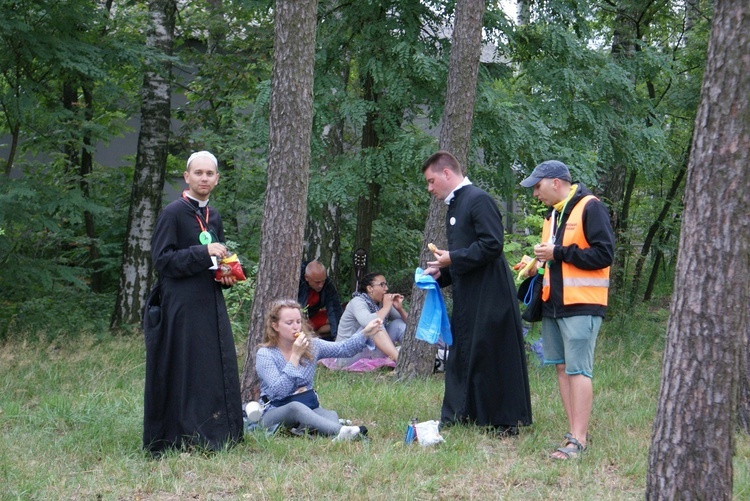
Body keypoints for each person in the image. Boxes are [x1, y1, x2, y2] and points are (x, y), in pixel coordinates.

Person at [422, 151, 532, 436]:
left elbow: (492, 245)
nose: (430, 188)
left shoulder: (478, 199)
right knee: (464, 352)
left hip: (491, 292)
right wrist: (441, 272)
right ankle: (462, 413)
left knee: (492, 353)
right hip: (469, 293)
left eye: (431, 181)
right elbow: (465, 254)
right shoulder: (455, 205)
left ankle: (504, 421)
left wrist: (452, 259)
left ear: (447, 173)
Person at [143, 151, 243, 456]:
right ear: (186, 177)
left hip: (209, 303)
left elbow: (217, 262)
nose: (204, 178)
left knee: (211, 368)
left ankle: (215, 434)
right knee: (184, 368)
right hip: (180, 306)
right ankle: (180, 436)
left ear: (217, 179)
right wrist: (203, 252)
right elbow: (162, 260)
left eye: (209, 173)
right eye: (198, 173)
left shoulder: (215, 216)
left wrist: (225, 277)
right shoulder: (173, 213)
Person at [519, 160, 614, 460]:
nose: (535, 194)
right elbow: (557, 260)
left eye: (538, 186)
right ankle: (573, 432)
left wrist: (557, 253)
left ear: (556, 182)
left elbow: (604, 254)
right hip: (553, 306)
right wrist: (535, 266)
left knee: (578, 370)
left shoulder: (590, 207)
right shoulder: (552, 215)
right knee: (561, 368)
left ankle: (579, 440)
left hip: (582, 305)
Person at [255, 299, 380, 439]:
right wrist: (295, 355)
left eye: (298, 322)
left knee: (330, 414)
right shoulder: (265, 354)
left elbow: (343, 349)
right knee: (295, 407)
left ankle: (325, 432)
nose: (296, 327)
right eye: (289, 323)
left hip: (308, 405)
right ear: (275, 326)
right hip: (274, 411)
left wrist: (365, 333)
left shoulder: (313, 345)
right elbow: (279, 391)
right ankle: (342, 431)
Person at [335, 272, 407, 365]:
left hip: (369, 352)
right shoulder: (357, 301)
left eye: (386, 285)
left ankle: (414, 357)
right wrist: (386, 307)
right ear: (370, 288)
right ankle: (402, 363)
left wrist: (400, 309)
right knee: (374, 325)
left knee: (398, 324)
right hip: (346, 356)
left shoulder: (381, 303)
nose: (386, 289)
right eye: (382, 285)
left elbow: (410, 323)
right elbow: (368, 322)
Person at [297, 260, 344, 340]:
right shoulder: (296, 280)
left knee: (341, 318)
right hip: (297, 319)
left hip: (312, 317)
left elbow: (335, 310)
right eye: (317, 282)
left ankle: (317, 335)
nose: (321, 285)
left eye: (323, 281)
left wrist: (337, 339)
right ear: (306, 277)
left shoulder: (327, 286)